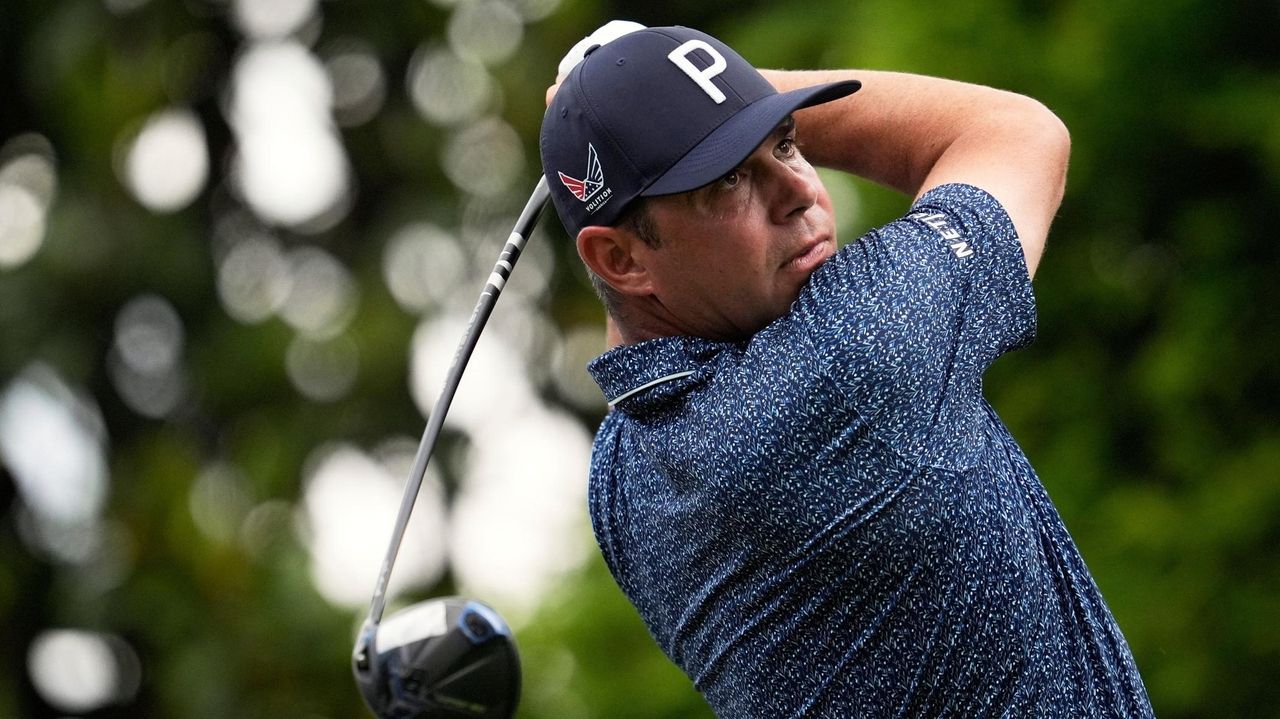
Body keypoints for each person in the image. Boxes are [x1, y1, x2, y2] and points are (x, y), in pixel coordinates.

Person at [540, 24, 1153, 718]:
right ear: (620, 259)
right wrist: (740, 87)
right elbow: (1019, 131)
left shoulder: (620, 477)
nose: (799, 191)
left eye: (786, 141)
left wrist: (683, 99)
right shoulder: (849, 362)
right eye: (730, 179)